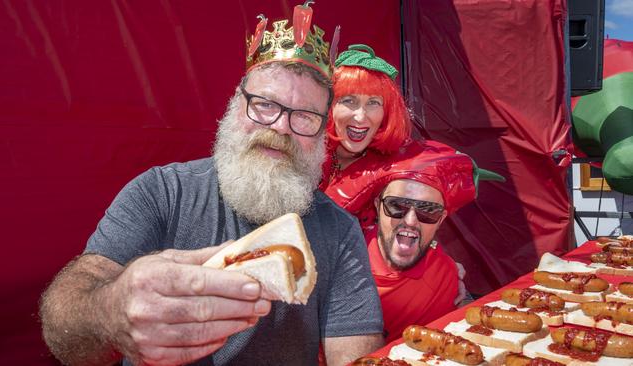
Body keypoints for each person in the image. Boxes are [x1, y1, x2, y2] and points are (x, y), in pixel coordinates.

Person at [38, 7, 384, 366]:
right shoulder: (162, 193)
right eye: (264, 105)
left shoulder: (339, 231)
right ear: (236, 107)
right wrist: (111, 309)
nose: (281, 127)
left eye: (305, 117)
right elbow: (65, 325)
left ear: (321, 134)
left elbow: (355, 354)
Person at [332, 139, 504, 342]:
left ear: (441, 219)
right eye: (397, 206)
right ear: (378, 206)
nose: (410, 221)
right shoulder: (338, 265)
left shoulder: (444, 274)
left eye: (428, 210)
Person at [319, 44, 419, 190]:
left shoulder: (398, 175)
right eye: (349, 101)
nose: (360, 117)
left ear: (388, 111)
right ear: (328, 107)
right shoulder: (305, 153)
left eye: (373, 102)